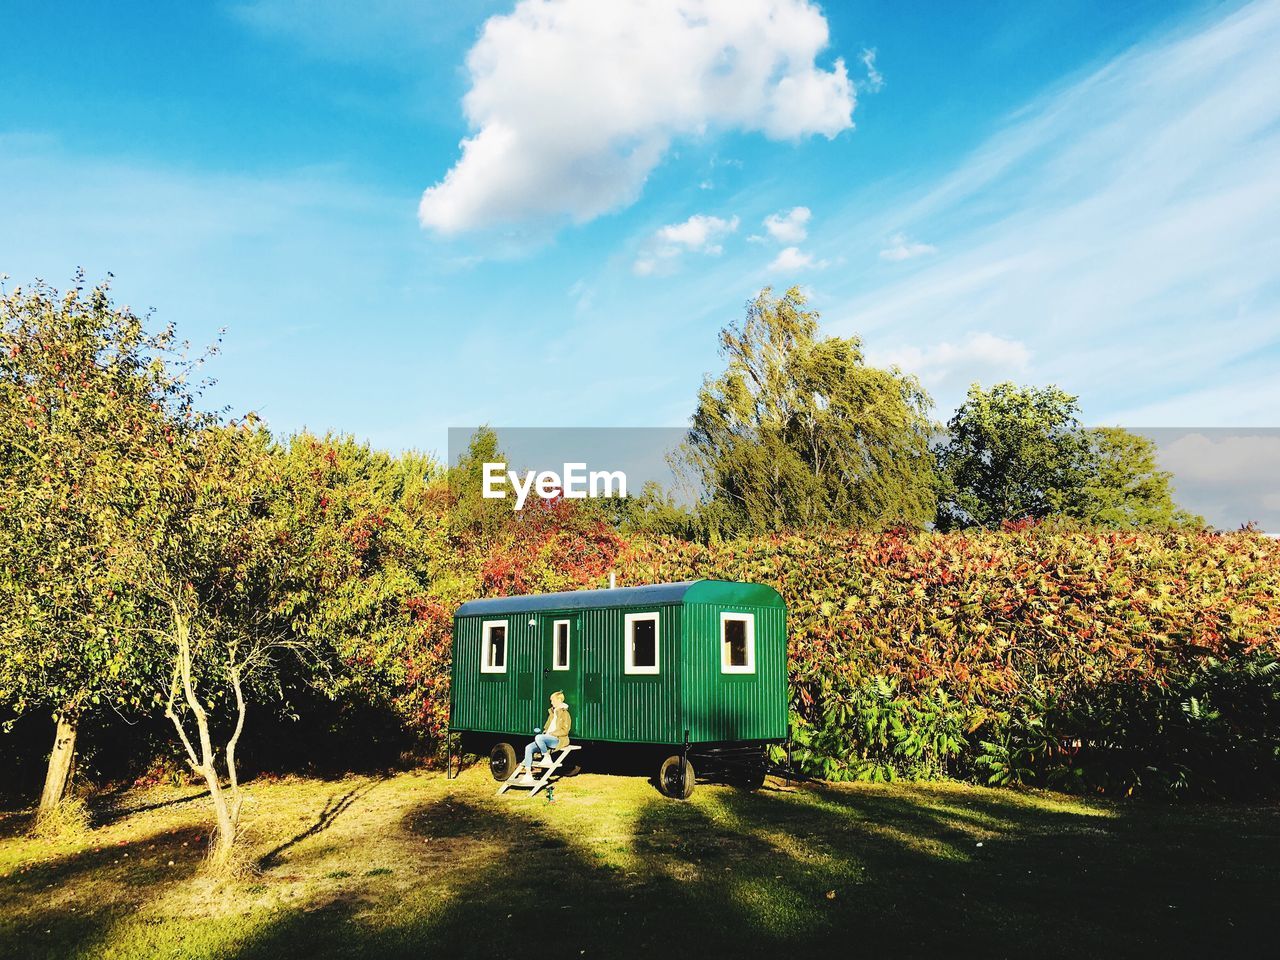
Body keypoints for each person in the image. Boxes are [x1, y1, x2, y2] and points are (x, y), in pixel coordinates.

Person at [521, 691, 571, 783]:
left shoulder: (565, 714)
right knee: (528, 747)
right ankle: (528, 775)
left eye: (553, 700)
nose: (551, 703)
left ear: (559, 700)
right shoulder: (552, 713)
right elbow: (546, 727)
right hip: (547, 738)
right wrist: (545, 732)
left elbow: (565, 731)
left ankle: (546, 757)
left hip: (558, 739)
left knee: (539, 738)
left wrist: (552, 733)